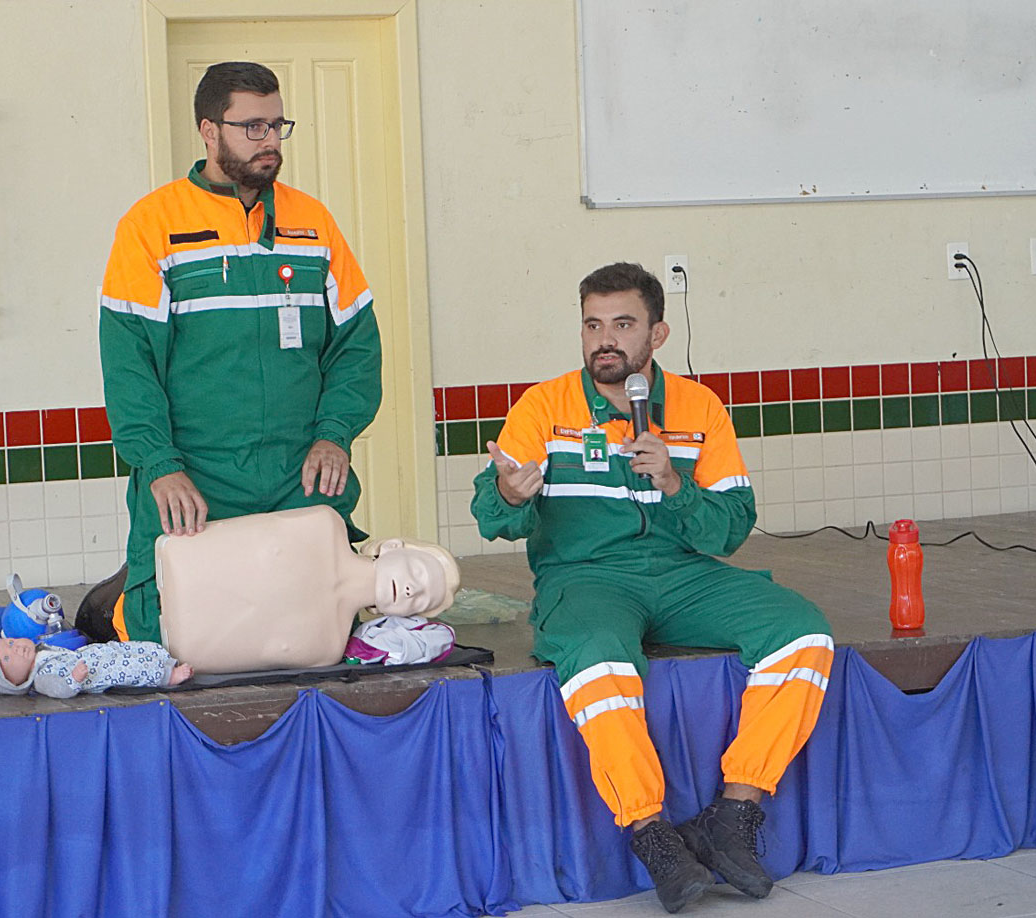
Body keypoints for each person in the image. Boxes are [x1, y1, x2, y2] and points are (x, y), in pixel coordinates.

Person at [471, 263, 834, 914]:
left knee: (803, 632)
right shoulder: (544, 406)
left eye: (623, 324)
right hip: (585, 578)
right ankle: (652, 834)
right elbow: (493, 515)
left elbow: (729, 529)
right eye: (592, 325)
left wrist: (675, 485)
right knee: (601, 658)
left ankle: (735, 814)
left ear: (657, 334)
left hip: (682, 574)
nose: (604, 340)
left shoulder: (698, 409)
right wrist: (506, 492)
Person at [99, 61, 381, 644]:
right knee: (173, 637)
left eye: (278, 125)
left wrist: (334, 434)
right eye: (252, 127)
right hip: (195, 477)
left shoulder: (315, 223)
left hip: (295, 473)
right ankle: (109, 606)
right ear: (209, 130)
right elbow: (130, 366)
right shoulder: (152, 226)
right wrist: (159, 466)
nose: (270, 141)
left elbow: (356, 344)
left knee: (314, 629)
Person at [154, 506, 460, 673]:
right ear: (393, 546)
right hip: (167, 565)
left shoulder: (328, 648)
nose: (410, 590)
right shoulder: (325, 525)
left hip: (172, 645)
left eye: (419, 599)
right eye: (417, 574)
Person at [0, 636, 193, 699]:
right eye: (8, 659)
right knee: (131, 669)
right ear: (14, 683)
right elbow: (59, 690)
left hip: (97, 655)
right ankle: (167, 676)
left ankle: (163, 659)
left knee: (130, 649)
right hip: (99, 674)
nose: (16, 649)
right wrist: (74, 680)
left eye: (10, 643)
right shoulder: (41, 679)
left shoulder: (41, 651)